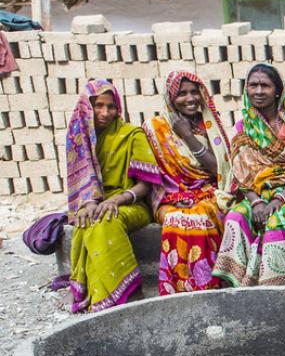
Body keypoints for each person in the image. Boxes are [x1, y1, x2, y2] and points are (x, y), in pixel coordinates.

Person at [212, 63, 285, 287]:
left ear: (277, 90)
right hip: (256, 194)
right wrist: (256, 202)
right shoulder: (244, 126)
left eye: (265, 86)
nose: (258, 91)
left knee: (277, 220)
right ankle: (239, 285)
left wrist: (280, 199)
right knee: (235, 218)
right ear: (246, 89)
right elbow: (242, 172)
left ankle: (278, 285)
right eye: (253, 85)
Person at [65, 80, 160, 312]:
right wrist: (87, 203)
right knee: (88, 220)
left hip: (131, 202)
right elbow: (81, 183)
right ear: (87, 107)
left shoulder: (131, 134)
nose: (105, 113)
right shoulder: (79, 139)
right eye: (98, 106)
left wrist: (118, 199)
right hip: (97, 203)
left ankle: (126, 292)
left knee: (105, 221)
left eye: (111, 107)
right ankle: (101, 292)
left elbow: (145, 185)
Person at [143, 71, 233, 295]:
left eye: (194, 92)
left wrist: (187, 136)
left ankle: (207, 287)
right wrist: (173, 199)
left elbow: (219, 170)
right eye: (182, 93)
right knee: (176, 220)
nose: (190, 98)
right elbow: (152, 177)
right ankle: (177, 291)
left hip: (207, 193)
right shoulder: (155, 128)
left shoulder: (209, 125)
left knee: (200, 219)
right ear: (171, 98)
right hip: (171, 198)